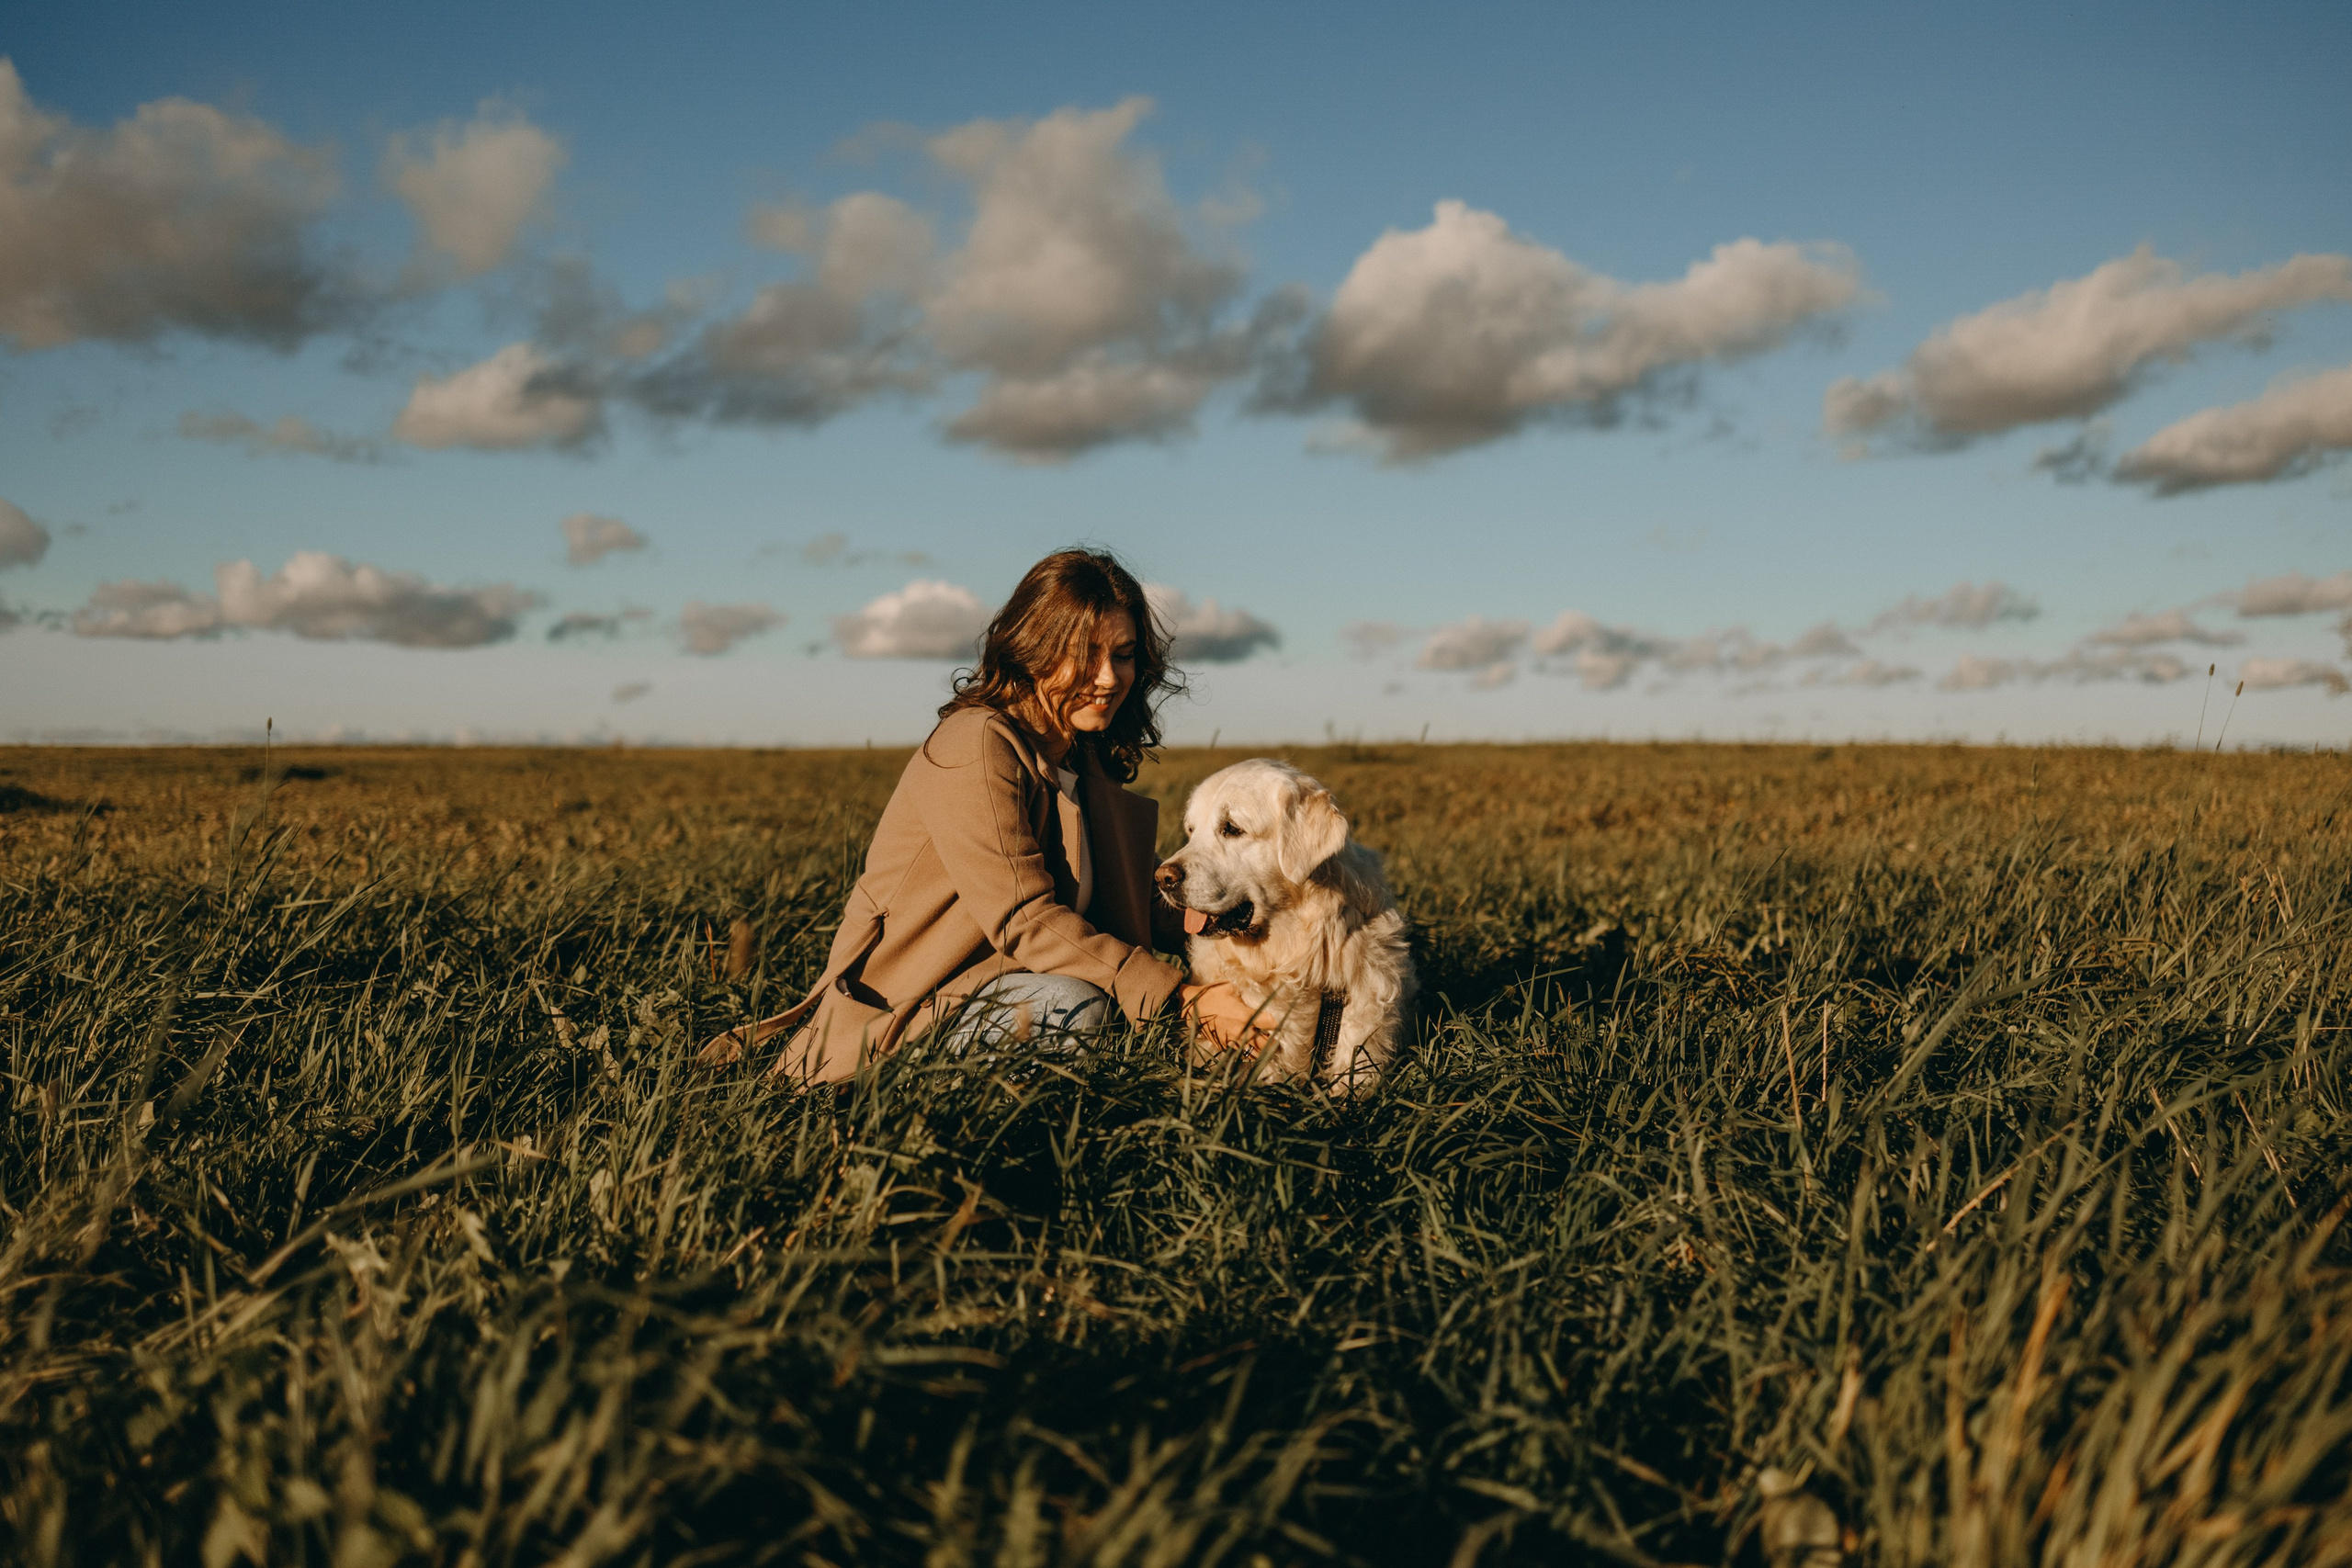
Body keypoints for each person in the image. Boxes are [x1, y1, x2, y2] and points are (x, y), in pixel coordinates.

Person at [700, 547, 1265, 1081]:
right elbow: (1022, 917)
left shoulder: (1081, 758)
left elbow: (1142, 901)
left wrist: (1272, 917)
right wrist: (1180, 1000)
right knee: (1075, 1009)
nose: (1109, 678)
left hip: (1011, 988)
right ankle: (904, 1121)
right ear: (1033, 649)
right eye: (1084, 655)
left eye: (1122, 655)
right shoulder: (975, 743)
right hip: (904, 1019)